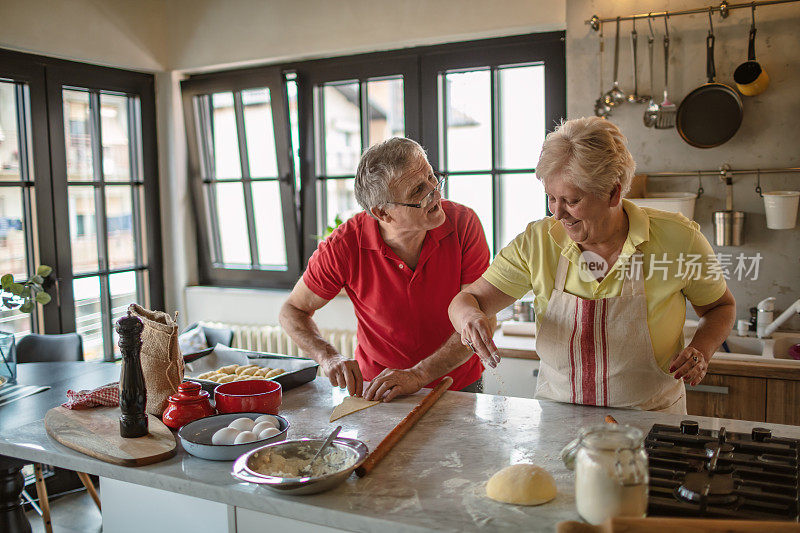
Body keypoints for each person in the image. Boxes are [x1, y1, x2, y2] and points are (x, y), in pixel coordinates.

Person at [448, 117, 735, 414]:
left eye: (572, 201)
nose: (558, 214)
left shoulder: (679, 239)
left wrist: (701, 349)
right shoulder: (537, 242)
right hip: (558, 425)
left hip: (651, 422)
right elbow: (465, 300)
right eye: (551, 198)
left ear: (614, 192)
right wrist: (469, 317)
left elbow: (720, 307)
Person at [280, 137, 491, 402]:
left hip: (457, 384)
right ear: (383, 213)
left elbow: (481, 318)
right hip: (381, 391)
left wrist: (418, 375)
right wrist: (328, 355)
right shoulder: (344, 245)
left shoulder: (463, 224)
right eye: (418, 191)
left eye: (431, 176)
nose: (435, 192)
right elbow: (292, 311)